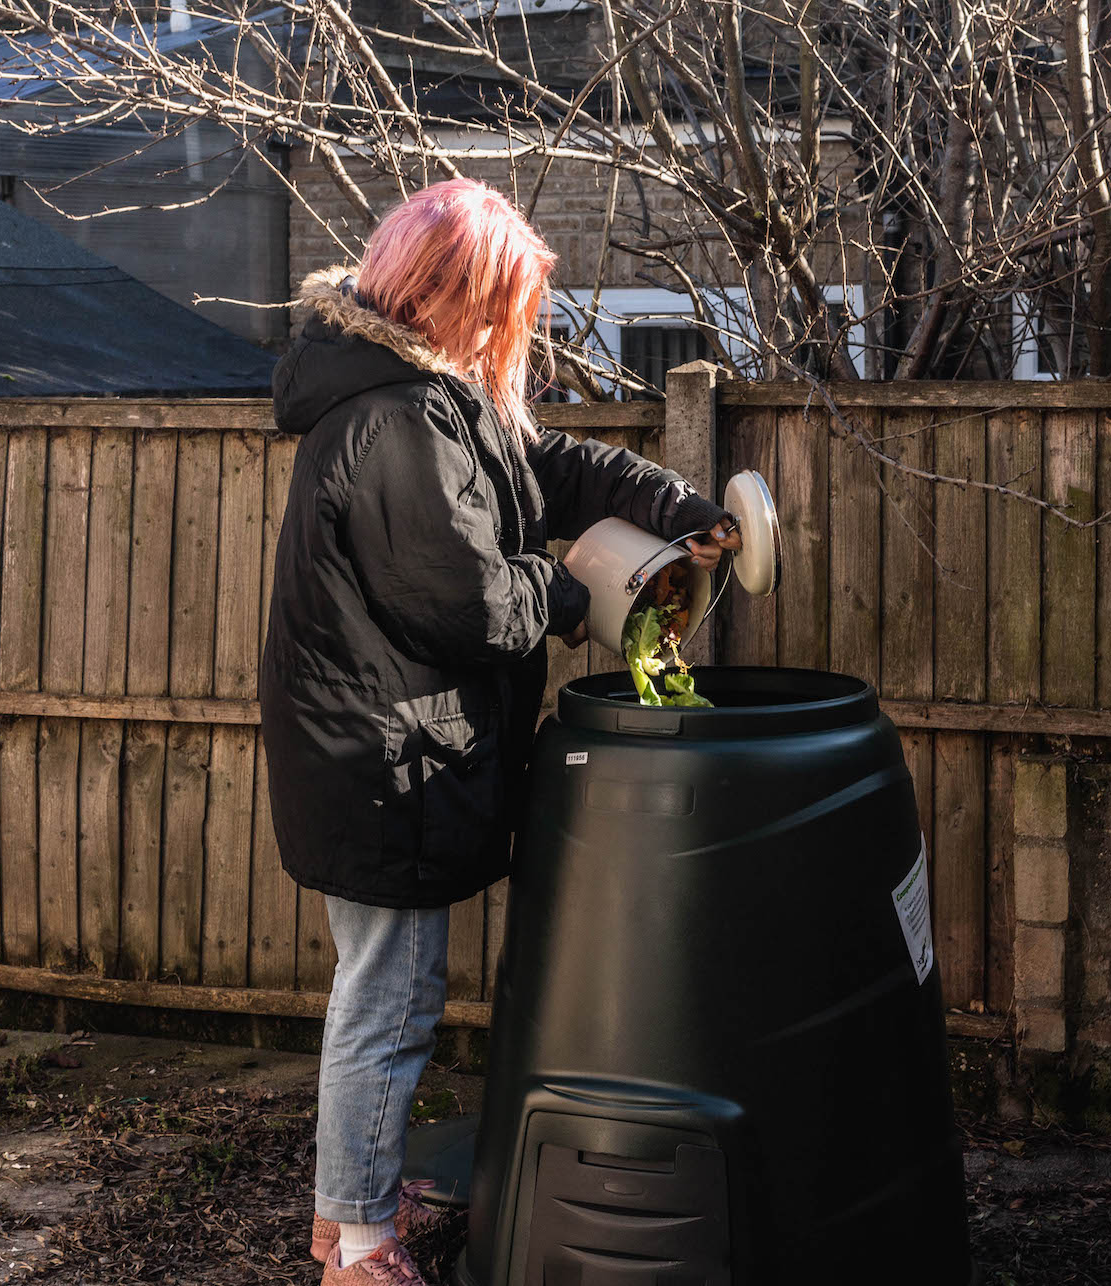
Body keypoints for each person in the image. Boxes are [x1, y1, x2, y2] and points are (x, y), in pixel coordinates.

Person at [259, 178, 741, 1286]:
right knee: (388, 994)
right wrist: (578, 590)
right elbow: (468, 603)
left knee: (385, 986)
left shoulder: (436, 395)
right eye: (503, 305)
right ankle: (361, 1247)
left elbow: (553, 468)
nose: (511, 332)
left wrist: (677, 509)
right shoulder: (392, 419)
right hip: (379, 755)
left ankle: (348, 1211)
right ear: (446, 295)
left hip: (391, 747)